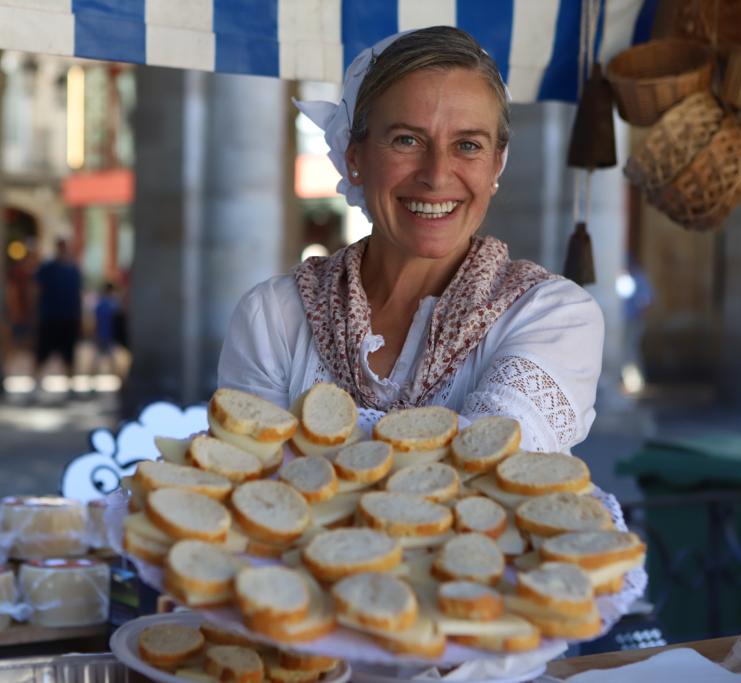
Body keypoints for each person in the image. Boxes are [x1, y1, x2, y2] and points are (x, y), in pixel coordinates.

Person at [217, 26, 604, 455]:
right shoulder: (274, 316)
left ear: (497, 164)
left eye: (468, 145)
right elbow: (247, 481)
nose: (437, 175)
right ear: (354, 156)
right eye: (406, 140)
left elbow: (487, 466)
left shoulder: (551, 315)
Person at [34, 238, 83, 387]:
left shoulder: (73, 269)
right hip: (50, 316)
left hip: (68, 317)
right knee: (43, 351)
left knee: (69, 353)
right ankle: (36, 382)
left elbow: (77, 295)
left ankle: (70, 384)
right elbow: (36, 289)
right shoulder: (48, 268)